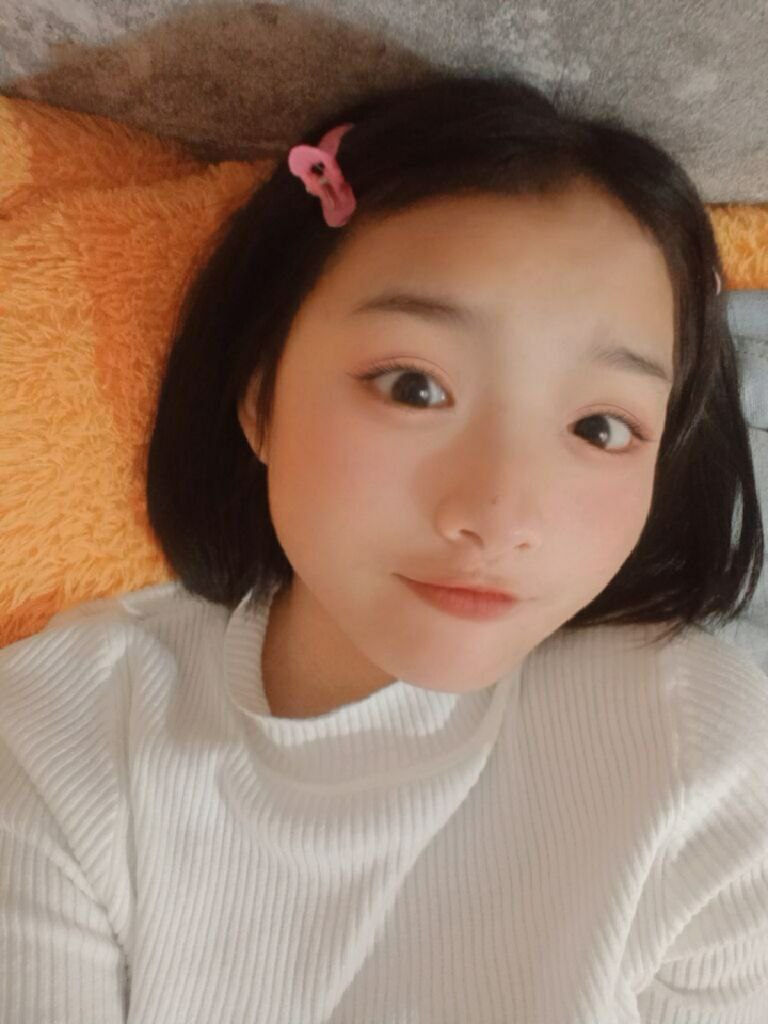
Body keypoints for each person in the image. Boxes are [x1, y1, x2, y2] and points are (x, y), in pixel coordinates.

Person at [1, 70, 766, 1023]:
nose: (498, 514)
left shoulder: (698, 752)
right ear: (259, 394)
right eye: (414, 387)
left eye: (600, 428)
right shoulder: (61, 739)